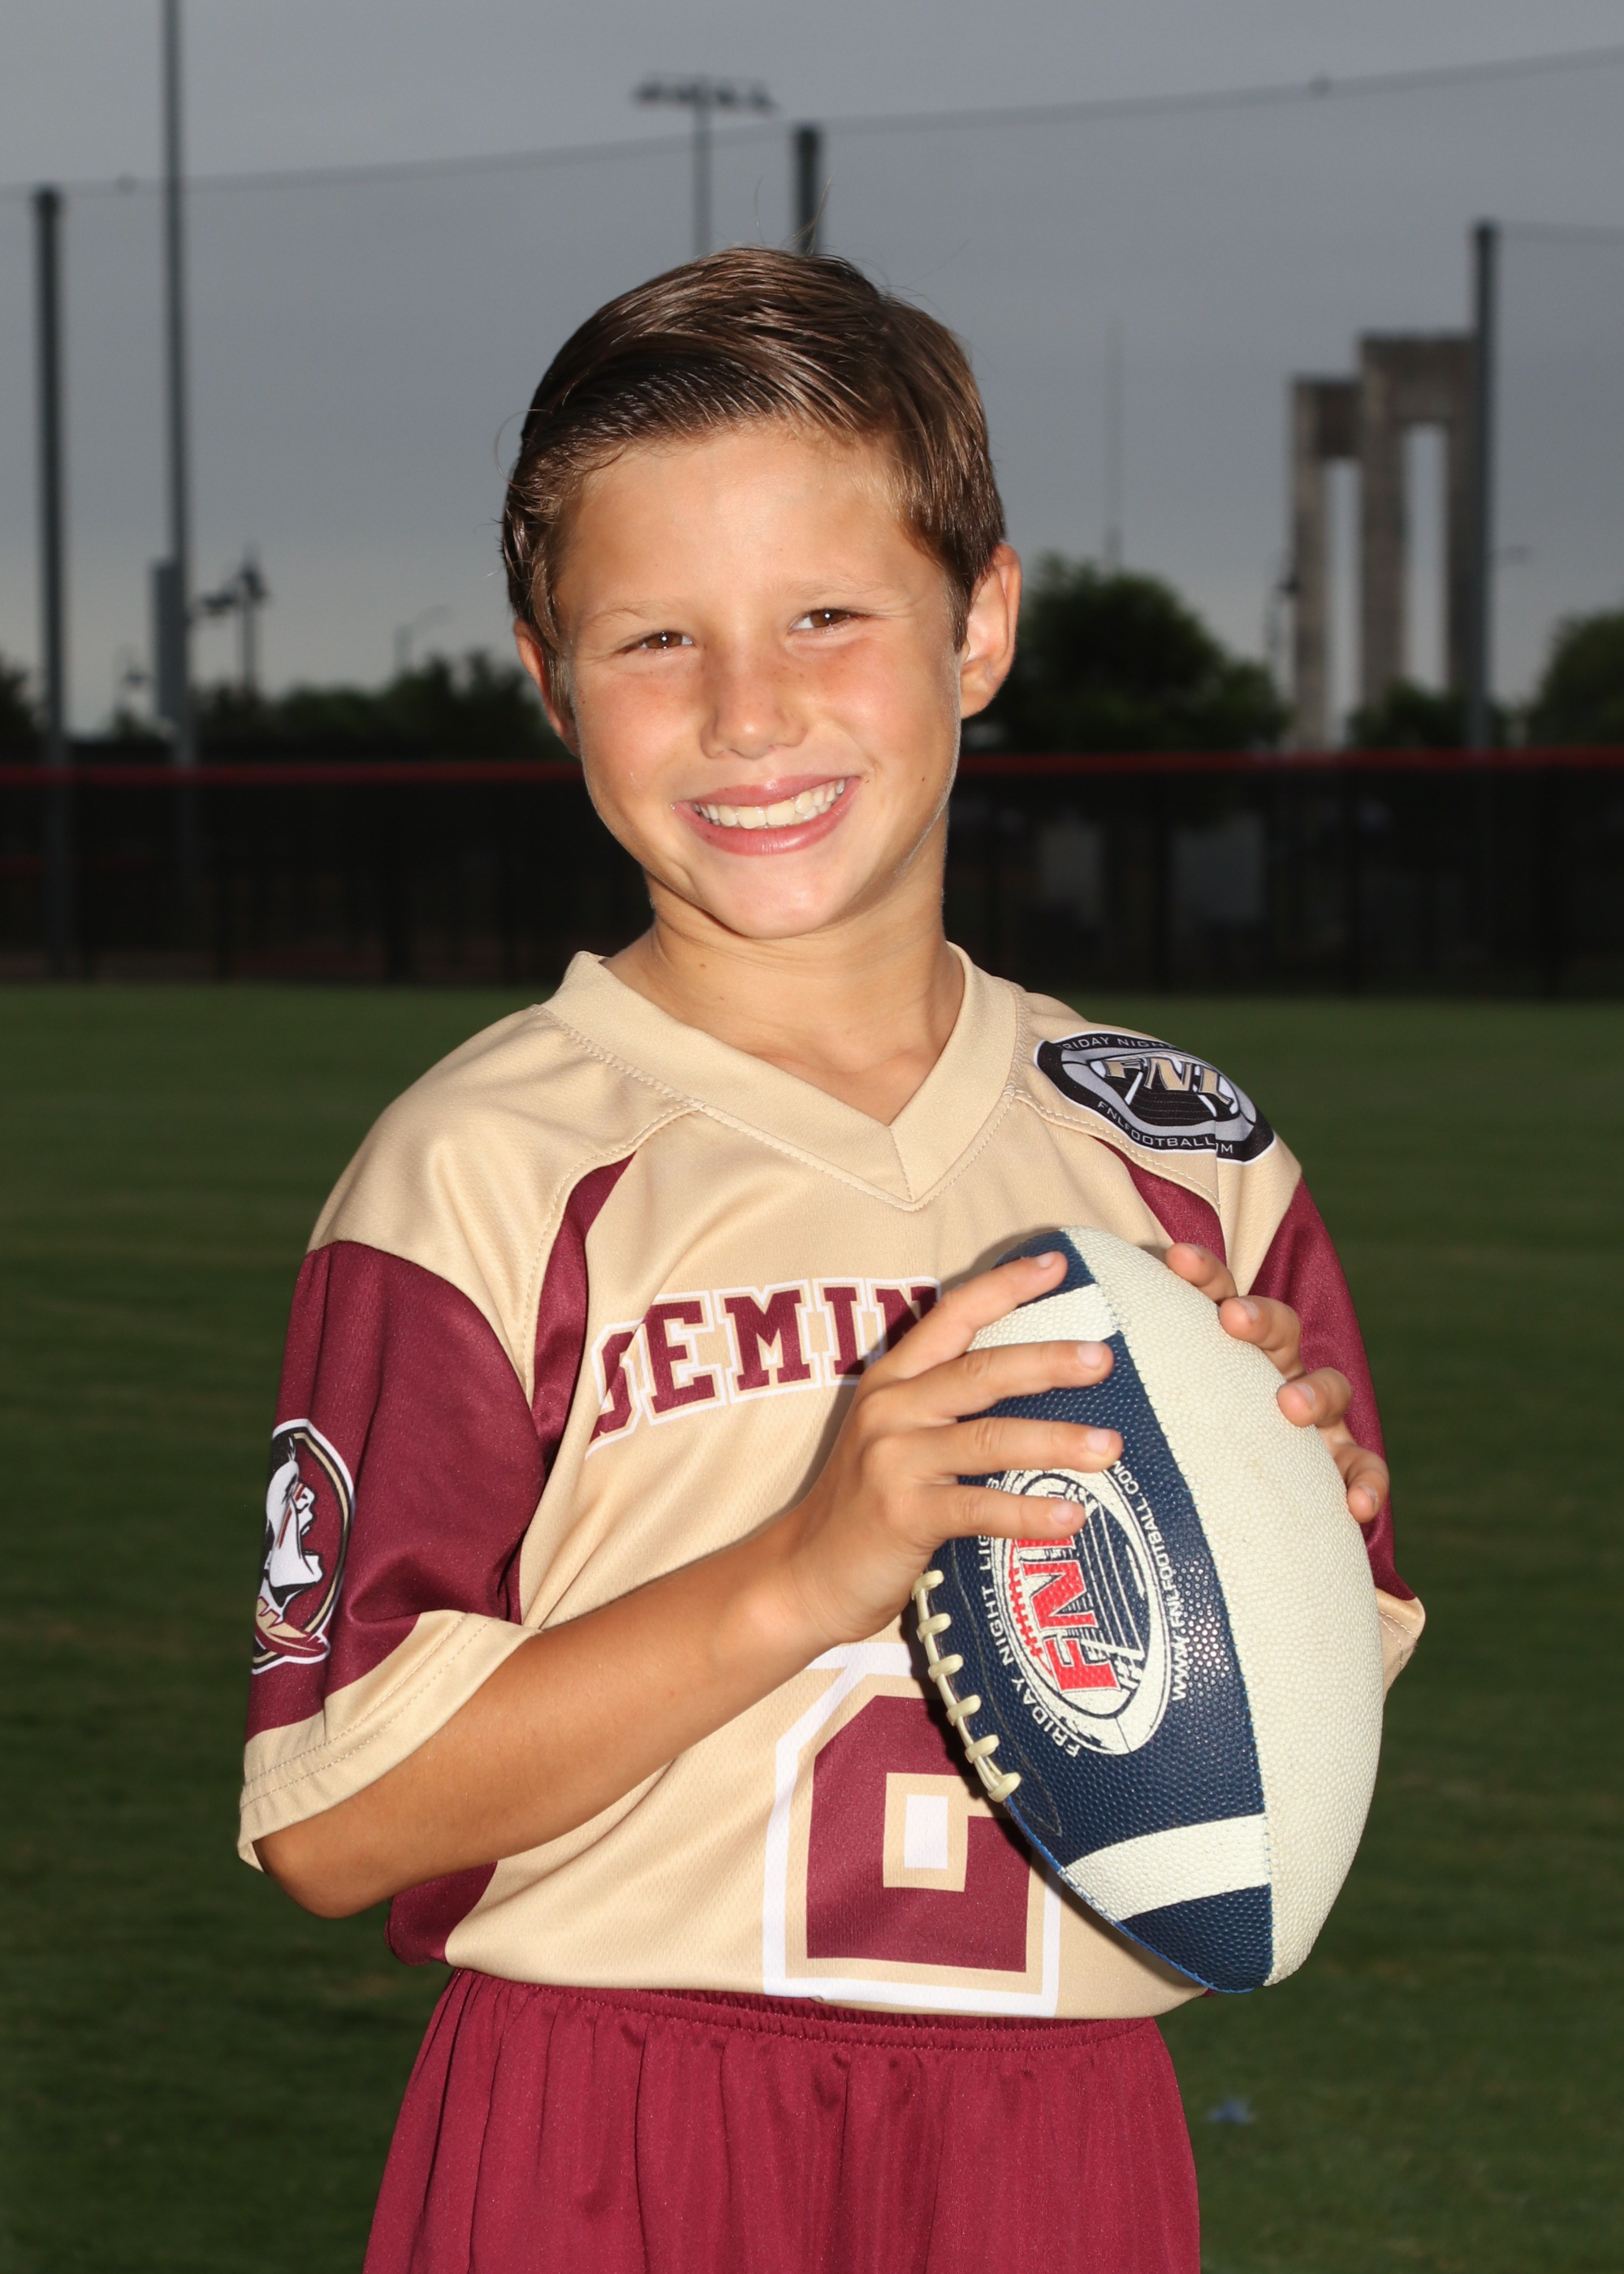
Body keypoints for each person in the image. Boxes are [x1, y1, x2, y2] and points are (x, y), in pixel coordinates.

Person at [241, 248, 1423, 2274]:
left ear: (980, 625)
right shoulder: (477, 1169)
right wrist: (805, 1564)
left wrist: (1292, 1511)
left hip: (1051, 2133)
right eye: (654, 638)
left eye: (824, 615)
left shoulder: (1183, 1158)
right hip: (603, 2117)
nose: (747, 711)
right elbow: (336, 1822)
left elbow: (1303, 1727)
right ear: (548, 680)